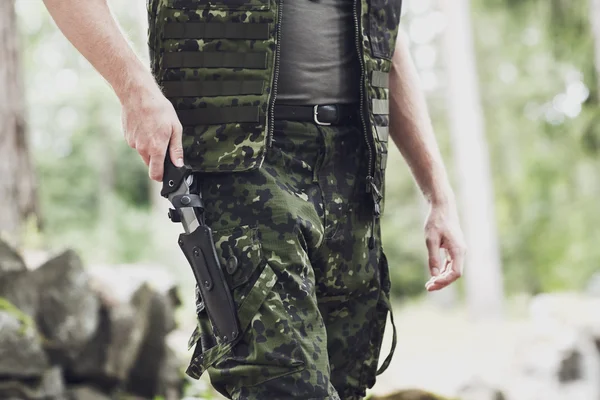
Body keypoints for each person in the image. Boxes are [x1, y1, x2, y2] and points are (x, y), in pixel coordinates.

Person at [42, 0, 467, 399]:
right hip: (243, 164)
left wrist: (439, 195)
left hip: (353, 174)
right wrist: (133, 88)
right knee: (284, 384)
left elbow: (386, 45)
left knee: (347, 382)